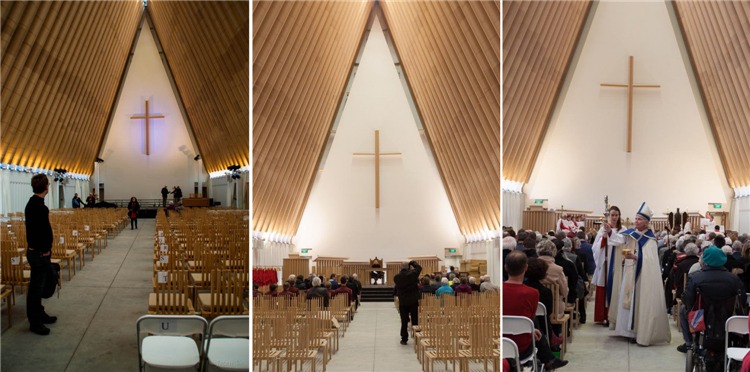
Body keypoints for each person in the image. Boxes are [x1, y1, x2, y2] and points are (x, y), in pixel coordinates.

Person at [610, 202, 671, 346]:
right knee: (627, 299)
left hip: (642, 276)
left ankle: (638, 332)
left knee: (639, 302)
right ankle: (626, 331)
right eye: (635, 218)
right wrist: (609, 232)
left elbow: (651, 260)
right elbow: (618, 241)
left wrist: (636, 257)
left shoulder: (650, 239)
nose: (636, 221)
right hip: (630, 271)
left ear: (646, 222)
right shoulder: (632, 234)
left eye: (639, 219)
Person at [503, 251, 568, 370]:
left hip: (501, 343)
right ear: (526, 268)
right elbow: (529, 320)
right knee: (534, 323)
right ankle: (549, 359)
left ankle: (549, 359)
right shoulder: (532, 293)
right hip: (522, 347)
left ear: (505, 267)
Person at [678, 246, 746, 353]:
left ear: (705, 260)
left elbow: (688, 301)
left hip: (700, 320)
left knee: (683, 310)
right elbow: (742, 300)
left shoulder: (695, 278)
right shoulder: (734, 279)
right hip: (728, 318)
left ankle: (689, 343)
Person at [25, 174, 57, 335]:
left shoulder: (33, 203)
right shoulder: (38, 207)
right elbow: (41, 232)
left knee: (38, 286)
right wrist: (45, 249)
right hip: (39, 253)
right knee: (36, 289)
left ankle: (40, 314)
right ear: (46, 187)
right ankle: (35, 322)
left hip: (37, 251)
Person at [592, 206, 625, 326]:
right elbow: (595, 247)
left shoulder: (623, 229)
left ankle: (615, 316)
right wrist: (603, 239)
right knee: (604, 287)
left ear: (619, 216)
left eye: (616, 215)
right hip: (605, 262)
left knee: (616, 287)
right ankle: (604, 316)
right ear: (609, 216)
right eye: (612, 215)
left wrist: (610, 234)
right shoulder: (602, 229)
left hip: (616, 263)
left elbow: (622, 241)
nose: (614, 217)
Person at [393, 260, 422, 345]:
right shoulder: (413, 274)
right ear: (408, 267)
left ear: (400, 267)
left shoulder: (397, 277)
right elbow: (419, 268)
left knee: (404, 320)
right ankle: (417, 338)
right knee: (415, 320)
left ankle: (404, 338)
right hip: (413, 300)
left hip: (403, 301)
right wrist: (413, 263)